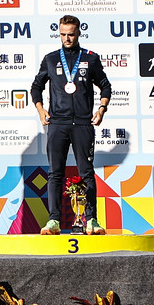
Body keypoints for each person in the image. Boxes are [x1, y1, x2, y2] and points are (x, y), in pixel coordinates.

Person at [30, 15, 112, 233]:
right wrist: (41, 110)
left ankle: (91, 220)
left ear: (78, 33)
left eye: (71, 34)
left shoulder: (90, 58)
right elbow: (36, 86)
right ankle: (53, 221)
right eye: (63, 34)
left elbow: (105, 86)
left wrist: (101, 109)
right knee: (55, 173)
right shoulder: (51, 59)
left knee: (87, 173)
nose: (67, 38)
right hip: (58, 123)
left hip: (83, 124)